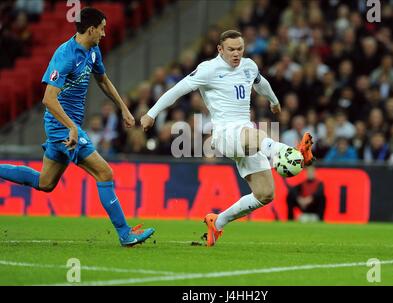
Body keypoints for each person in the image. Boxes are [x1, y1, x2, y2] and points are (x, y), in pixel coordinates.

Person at [140, 30, 314, 247]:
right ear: (220, 49)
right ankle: (291, 153)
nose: (236, 54)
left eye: (240, 49)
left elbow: (261, 83)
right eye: (231, 49)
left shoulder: (249, 66)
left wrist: (274, 101)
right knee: (256, 135)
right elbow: (177, 91)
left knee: (266, 194)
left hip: (245, 134)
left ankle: (218, 222)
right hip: (224, 134)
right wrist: (151, 114)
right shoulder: (208, 69)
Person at [0, 8, 155, 247]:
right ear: (91, 29)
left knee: (45, 183)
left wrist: (123, 108)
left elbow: (102, 79)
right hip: (61, 127)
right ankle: (125, 234)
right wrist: (71, 127)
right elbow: (48, 99)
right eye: (102, 28)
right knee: (105, 173)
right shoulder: (65, 55)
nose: (104, 33)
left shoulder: (92, 51)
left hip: (67, 127)